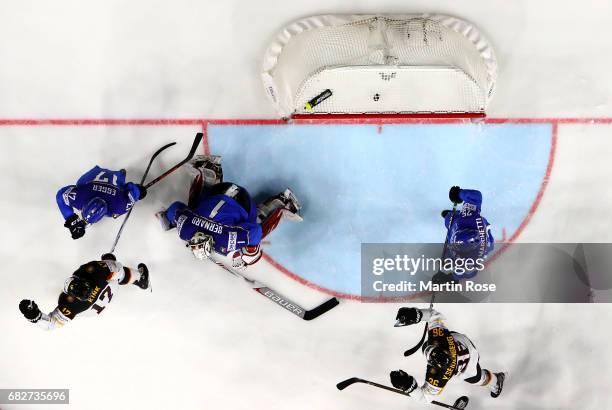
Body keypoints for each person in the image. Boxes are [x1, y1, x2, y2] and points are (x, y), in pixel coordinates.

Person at [157, 155, 301, 269]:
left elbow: (256, 231)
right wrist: (169, 219)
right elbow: (176, 207)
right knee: (193, 208)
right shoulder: (185, 229)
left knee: (255, 232)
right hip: (220, 190)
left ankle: (282, 204)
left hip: (243, 200)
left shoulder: (229, 241)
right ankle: (209, 170)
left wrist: (246, 255)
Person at [391, 307, 506, 402]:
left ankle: (496, 380)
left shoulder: (440, 375)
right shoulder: (440, 338)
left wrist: (409, 386)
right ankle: (493, 380)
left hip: (469, 365)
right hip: (464, 343)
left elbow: (424, 398)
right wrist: (416, 314)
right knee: (432, 343)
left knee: (478, 378)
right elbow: (433, 315)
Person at [19, 253, 150, 330]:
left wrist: (35, 317)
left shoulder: (68, 304)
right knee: (115, 269)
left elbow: (52, 325)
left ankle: (115, 271)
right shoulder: (92, 270)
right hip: (111, 288)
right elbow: (119, 268)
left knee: (111, 269)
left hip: (94, 311)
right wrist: (108, 263)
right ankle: (141, 279)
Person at [56, 166, 147, 239]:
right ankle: (119, 175)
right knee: (80, 185)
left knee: (80, 185)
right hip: (94, 180)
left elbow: (132, 192)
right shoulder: (79, 198)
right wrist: (70, 218)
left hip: (96, 175)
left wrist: (138, 192)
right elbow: (61, 195)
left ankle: (120, 175)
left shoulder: (119, 207)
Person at [435, 186, 494, 282]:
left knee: (453, 257)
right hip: (462, 223)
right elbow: (475, 196)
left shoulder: (473, 259)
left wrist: (450, 279)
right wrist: (459, 193)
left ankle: (448, 258)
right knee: (450, 219)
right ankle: (450, 217)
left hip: (467, 238)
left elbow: (467, 272)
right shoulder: (471, 217)